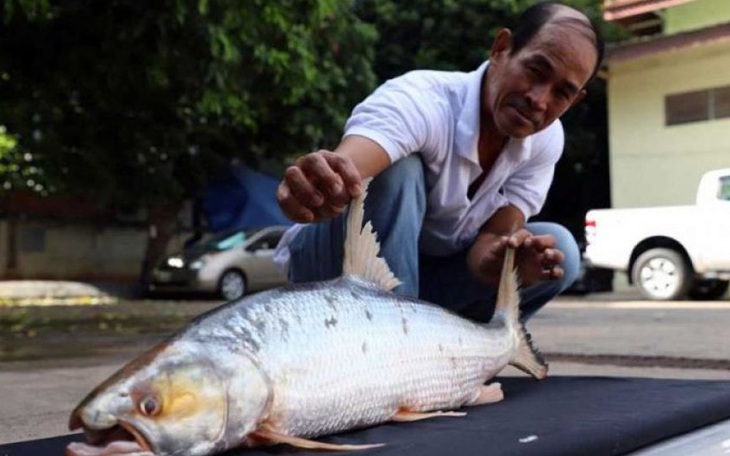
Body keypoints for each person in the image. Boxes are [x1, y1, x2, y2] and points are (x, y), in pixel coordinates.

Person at [274, 1, 604, 322]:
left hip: (421, 283)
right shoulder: (424, 100)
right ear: (502, 48)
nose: (539, 99)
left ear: (574, 101)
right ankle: (396, 351)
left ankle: (460, 354)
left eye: (562, 93)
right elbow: (351, 166)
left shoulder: (545, 138)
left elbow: (496, 235)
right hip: (331, 274)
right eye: (535, 70)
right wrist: (318, 187)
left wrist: (498, 262)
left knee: (561, 252)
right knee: (397, 169)